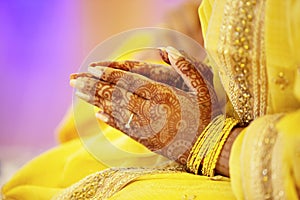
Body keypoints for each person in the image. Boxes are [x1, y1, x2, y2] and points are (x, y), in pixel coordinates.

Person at [2, 0, 300, 199]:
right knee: (58, 165)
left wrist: (212, 144)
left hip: (265, 161)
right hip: (219, 117)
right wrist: (196, 44)